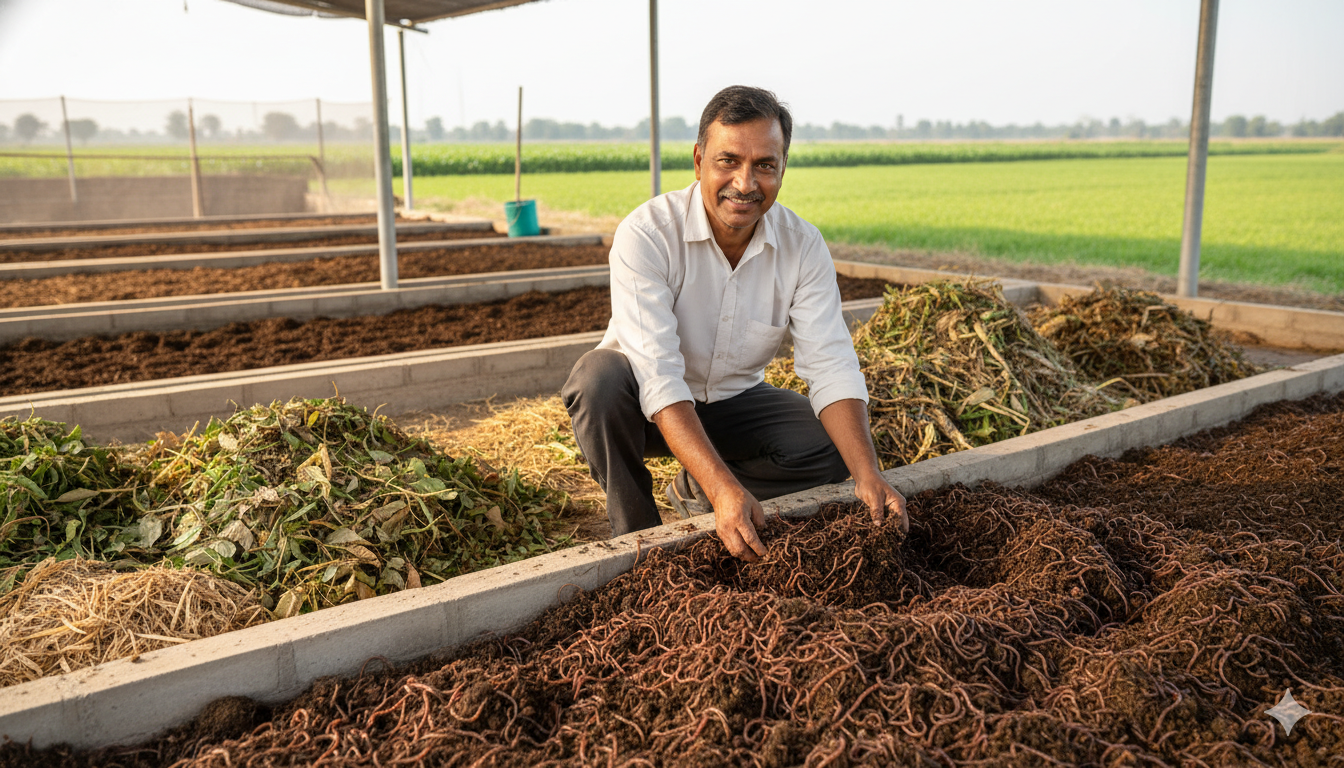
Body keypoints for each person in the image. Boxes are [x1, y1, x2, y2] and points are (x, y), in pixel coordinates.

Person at [562, 85, 907, 562]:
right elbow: (659, 376)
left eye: (765, 165)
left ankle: (696, 492)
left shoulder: (802, 246)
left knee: (829, 447)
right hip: (640, 409)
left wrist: (866, 473)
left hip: (732, 403)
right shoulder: (647, 233)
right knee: (597, 379)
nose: (745, 183)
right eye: (728, 161)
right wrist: (727, 488)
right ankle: (638, 537)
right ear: (700, 159)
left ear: (783, 168)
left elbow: (830, 363)